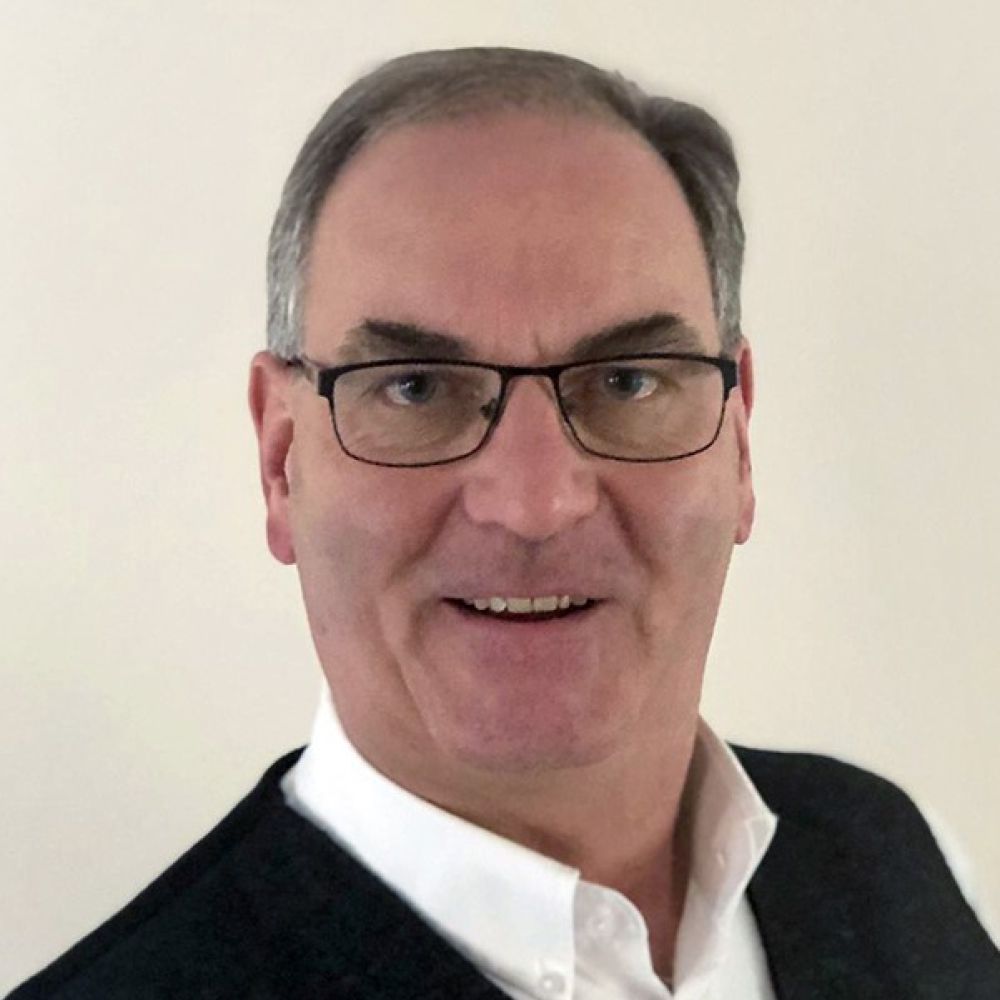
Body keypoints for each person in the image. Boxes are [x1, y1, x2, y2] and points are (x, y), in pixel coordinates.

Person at [8, 47, 999, 1000]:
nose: (534, 504)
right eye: (414, 386)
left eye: (627, 381)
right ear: (280, 462)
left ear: (739, 442)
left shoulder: (892, 859)